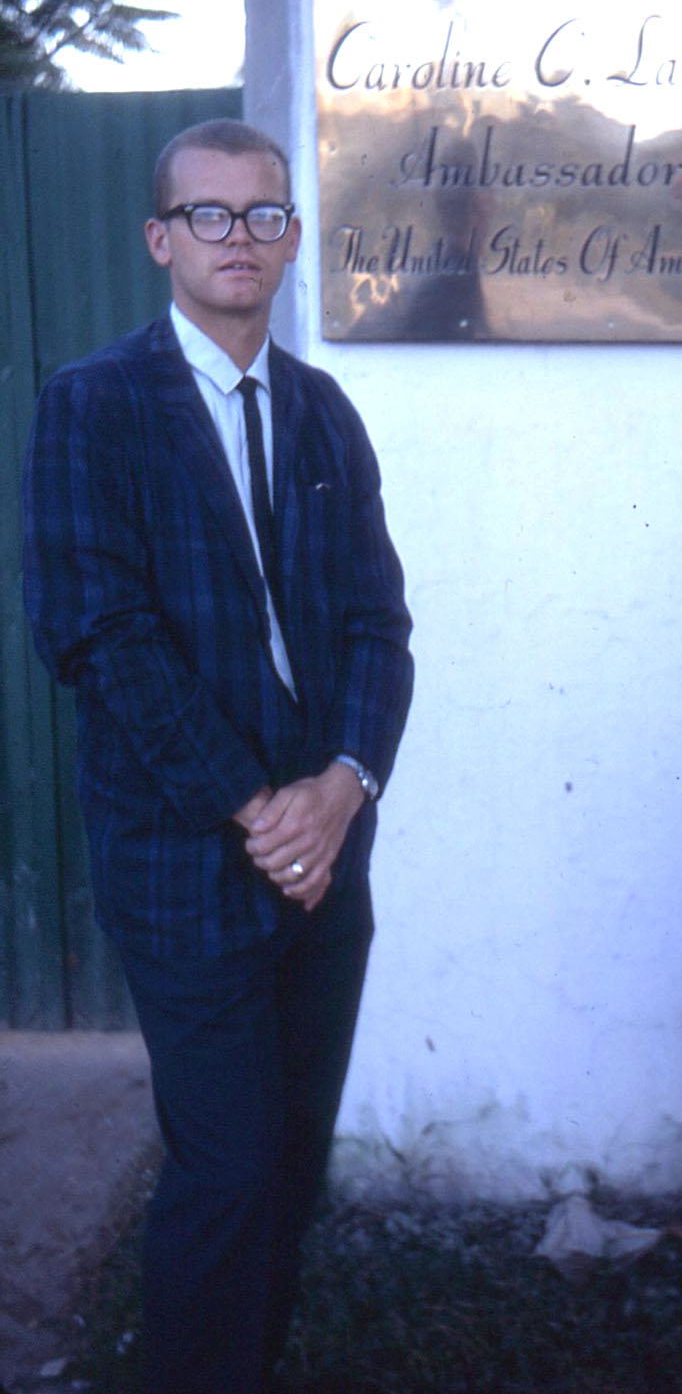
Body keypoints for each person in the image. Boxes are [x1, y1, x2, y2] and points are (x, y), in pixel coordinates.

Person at [22, 120, 414, 1392]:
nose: (237, 238)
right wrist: (259, 809)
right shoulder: (94, 405)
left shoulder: (324, 413)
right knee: (227, 1174)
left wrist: (343, 788)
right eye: (209, 214)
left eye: (263, 215)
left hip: (325, 861)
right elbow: (97, 632)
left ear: (292, 239)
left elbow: (378, 627)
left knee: (289, 1168)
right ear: (160, 239)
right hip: (187, 860)